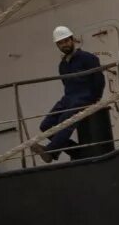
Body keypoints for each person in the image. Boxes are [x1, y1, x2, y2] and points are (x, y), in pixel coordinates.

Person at [41, 25, 114, 161]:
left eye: (67, 41)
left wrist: (95, 98)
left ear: (72, 40)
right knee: (46, 125)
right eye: (61, 43)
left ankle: (51, 151)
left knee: (65, 121)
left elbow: (99, 80)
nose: (65, 45)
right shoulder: (62, 65)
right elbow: (66, 84)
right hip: (68, 98)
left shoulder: (88, 58)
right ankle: (76, 151)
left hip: (85, 98)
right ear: (57, 45)